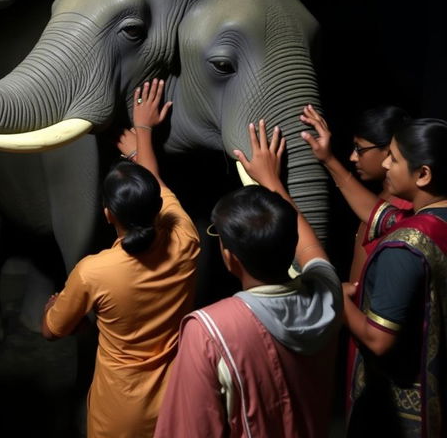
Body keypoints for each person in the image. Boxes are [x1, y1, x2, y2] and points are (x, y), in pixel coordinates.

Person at [154, 119, 343, 438]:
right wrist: (273, 181)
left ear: (230, 257)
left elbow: (188, 429)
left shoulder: (209, 331)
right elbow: (311, 248)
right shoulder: (328, 294)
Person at [41, 79, 200, 438]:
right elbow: (155, 181)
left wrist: (56, 307)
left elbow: (51, 330)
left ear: (108, 214)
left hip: (121, 411)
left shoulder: (93, 272)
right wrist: (142, 132)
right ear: (159, 208)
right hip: (178, 397)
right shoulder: (186, 237)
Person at [300, 104, 447, 437]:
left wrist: (334, 295)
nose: (384, 164)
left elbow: (377, 340)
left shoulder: (405, 245)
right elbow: (375, 212)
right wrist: (327, 159)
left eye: (393, 158)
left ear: (423, 174)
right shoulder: (435, 223)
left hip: (403, 414)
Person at [347, 105, 412, 283]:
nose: (353, 157)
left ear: (390, 149)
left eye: (360, 149)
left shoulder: (405, 207)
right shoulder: (384, 195)